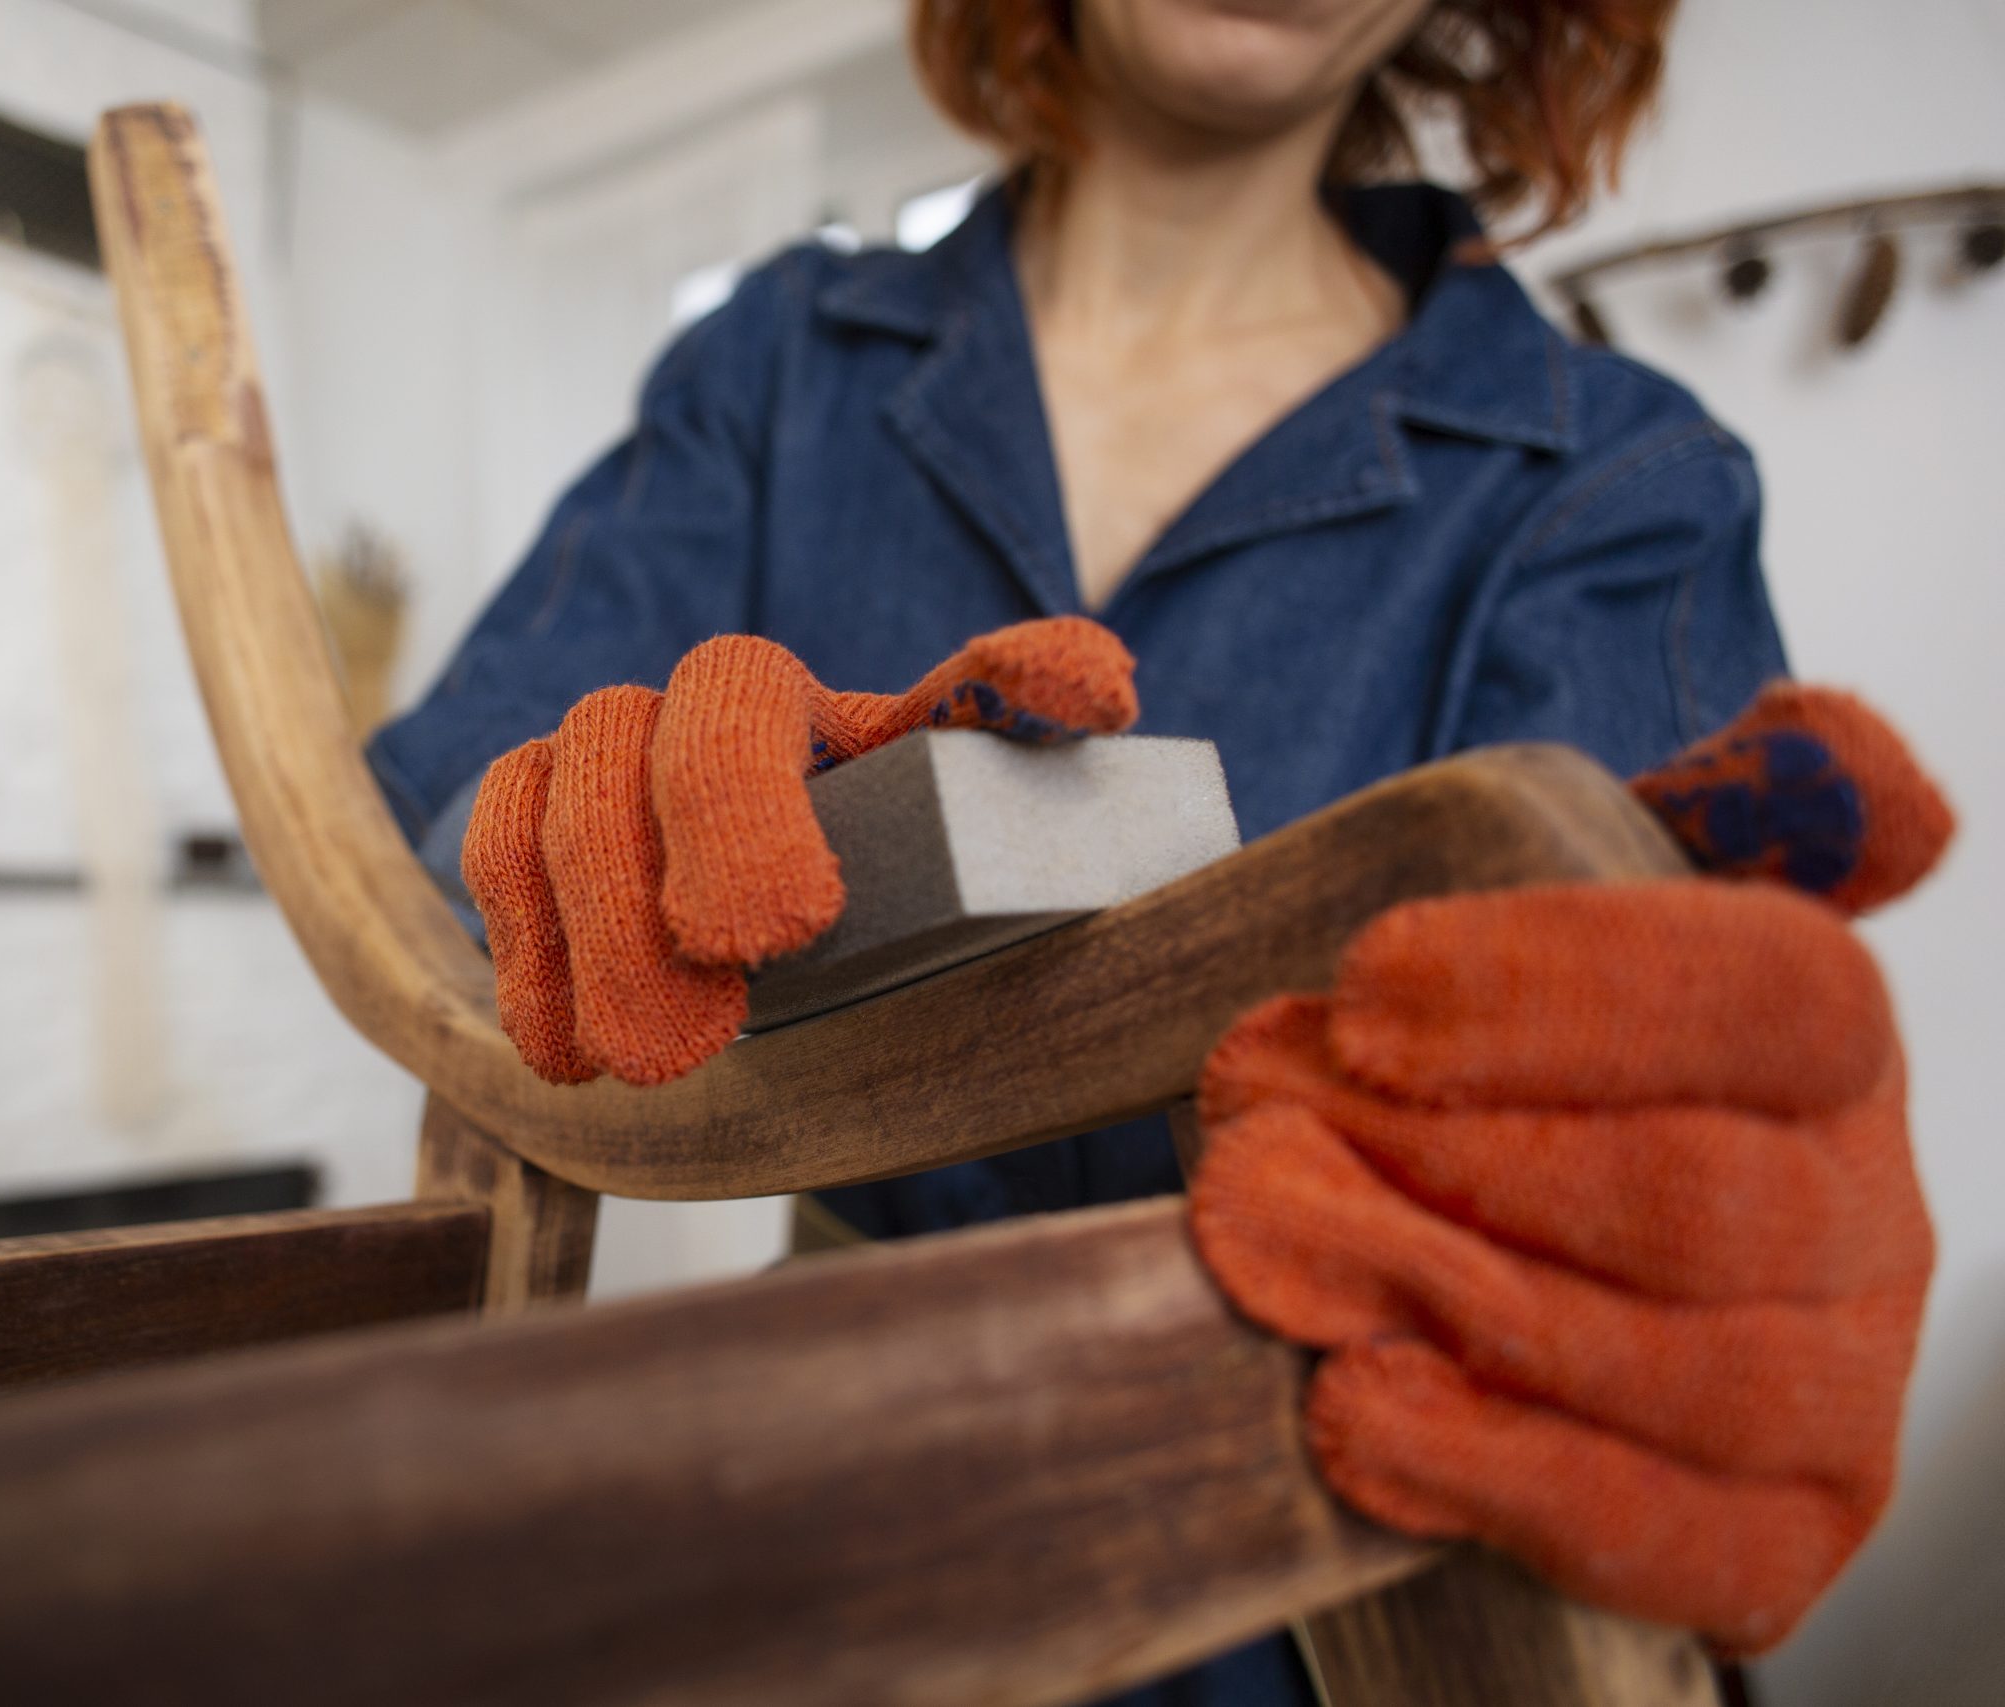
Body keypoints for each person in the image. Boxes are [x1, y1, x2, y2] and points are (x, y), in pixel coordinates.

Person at [367, 2, 1944, 1701]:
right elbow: (458, 778)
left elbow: (1643, 1090)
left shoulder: (1620, 473)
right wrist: (575, 833)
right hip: (829, 1524)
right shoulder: (782, 362)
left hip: (1351, 1579)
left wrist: (1695, 1200)